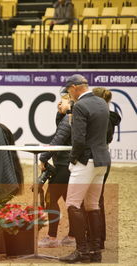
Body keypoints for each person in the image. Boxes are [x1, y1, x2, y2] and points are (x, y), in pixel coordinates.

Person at [59, 74, 110, 263]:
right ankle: (95, 252)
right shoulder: (101, 103)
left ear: (74, 88)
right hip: (102, 160)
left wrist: (72, 160)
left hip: (86, 161)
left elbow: (78, 139)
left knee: (72, 204)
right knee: (93, 205)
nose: (69, 94)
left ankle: (81, 251)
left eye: (69, 91)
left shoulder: (80, 106)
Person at [37, 94, 75, 248]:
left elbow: (58, 139)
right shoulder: (70, 118)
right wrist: (60, 113)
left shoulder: (69, 119)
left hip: (63, 165)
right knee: (71, 201)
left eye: (63, 101)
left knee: (50, 200)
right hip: (68, 165)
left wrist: (44, 158)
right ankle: (73, 236)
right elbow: (62, 131)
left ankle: (52, 238)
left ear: (70, 103)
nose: (60, 103)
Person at [91, 87, 122, 250]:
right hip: (104, 156)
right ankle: (99, 237)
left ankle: (97, 238)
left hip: (96, 157)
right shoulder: (109, 117)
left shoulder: (104, 119)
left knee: (94, 199)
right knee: (97, 198)